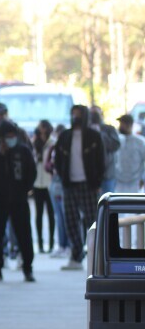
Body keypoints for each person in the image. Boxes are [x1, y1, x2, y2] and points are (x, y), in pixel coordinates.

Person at [0, 121, 37, 282]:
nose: (11, 139)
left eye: (13, 136)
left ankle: (28, 268)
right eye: (8, 137)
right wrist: (0, 154)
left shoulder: (23, 150)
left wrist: (25, 189)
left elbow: (31, 172)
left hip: (19, 199)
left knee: (24, 234)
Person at [53, 105, 105, 271]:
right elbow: (58, 160)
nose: (76, 117)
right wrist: (62, 177)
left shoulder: (94, 137)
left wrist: (97, 182)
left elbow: (101, 161)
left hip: (89, 184)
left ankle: (98, 256)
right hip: (69, 184)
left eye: (79, 114)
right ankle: (76, 255)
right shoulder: (65, 136)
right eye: (73, 114)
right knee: (70, 220)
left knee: (93, 220)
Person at [47, 125, 71, 259]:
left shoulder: (66, 149)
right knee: (59, 217)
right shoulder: (54, 148)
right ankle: (62, 244)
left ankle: (68, 245)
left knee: (66, 216)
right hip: (54, 184)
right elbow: (47, 164)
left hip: (63, 185)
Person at [32, 120, 55, 254]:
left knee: (51, 214)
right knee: (38, 213)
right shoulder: (35, 143)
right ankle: (40, 243)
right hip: (37, 183)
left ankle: (51, 243)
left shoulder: (52, 143)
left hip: (49, 183)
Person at [90, 106, 120, 193]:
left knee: (108, 203)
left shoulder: (109, 129)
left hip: (107, 174)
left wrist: (100, 133)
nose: (93, 117)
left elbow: (115, 145)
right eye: (91, 114)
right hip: (91, 175)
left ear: (101, 115)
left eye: (96, 114)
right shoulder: (86, 130)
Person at [115, 114, 145, 194]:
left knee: (134, 204)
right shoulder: (117, 140)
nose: (120, 126)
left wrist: (143, 178)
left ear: (129, 125)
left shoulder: (140, 142)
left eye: (122, 124)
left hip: (135, 182)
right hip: (119, 181)